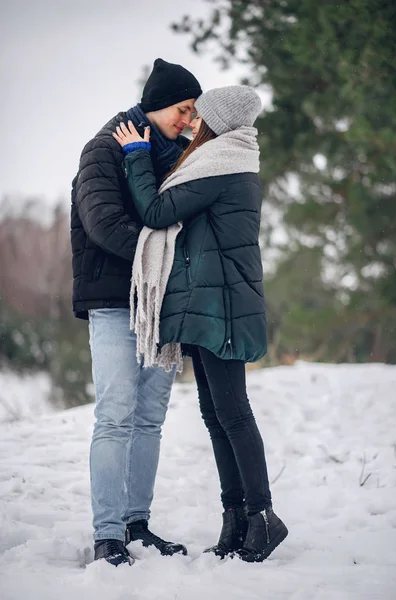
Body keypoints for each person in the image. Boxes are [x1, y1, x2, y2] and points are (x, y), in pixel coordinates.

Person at [113, 85, 289, 562]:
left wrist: (135, 156)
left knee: (233, 414)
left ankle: (263, 517)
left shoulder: (222, 165)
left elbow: (156, 212)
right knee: (218, 416)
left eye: (199, 116)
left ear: (218, 123)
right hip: (213, 304)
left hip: (223, 307)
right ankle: (236, 519)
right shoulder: (224, 160)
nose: (191, 123)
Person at [70, 58, 202, 567]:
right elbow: (103, 223)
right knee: (116, 414)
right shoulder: (103, 149)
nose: (189, 121)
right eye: (182, 109)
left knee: (149, 420)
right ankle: (108, 536)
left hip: (159, 304)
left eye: (193, 113)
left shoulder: (175, 157)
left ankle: (136, 523)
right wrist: (170, 254)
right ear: (155, 105)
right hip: (112, 300)